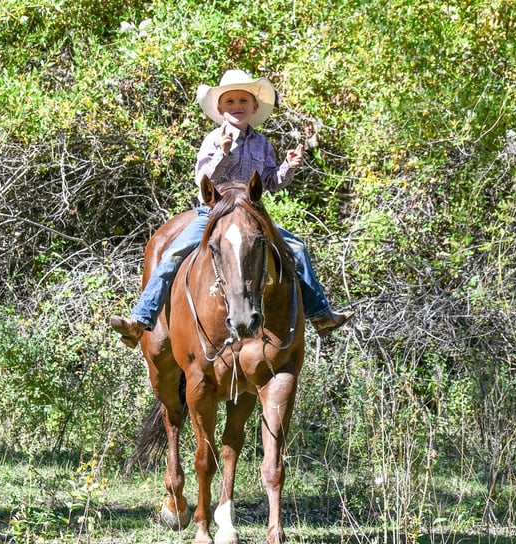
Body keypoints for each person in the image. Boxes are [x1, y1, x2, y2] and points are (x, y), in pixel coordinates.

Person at [110, 70, 353, 349]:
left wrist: (288, 166)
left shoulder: (262, 144)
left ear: (254, 107)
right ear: (220, 109)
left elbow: (270, 182)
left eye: (243, 101)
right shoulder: (214, 139)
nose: (237, 106)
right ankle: (140, 320)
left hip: (251, 215)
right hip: (214, 214)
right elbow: (203, 180)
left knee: (297, 249)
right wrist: (223, 152)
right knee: (172, 256)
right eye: (230, 101)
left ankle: (320, 315)